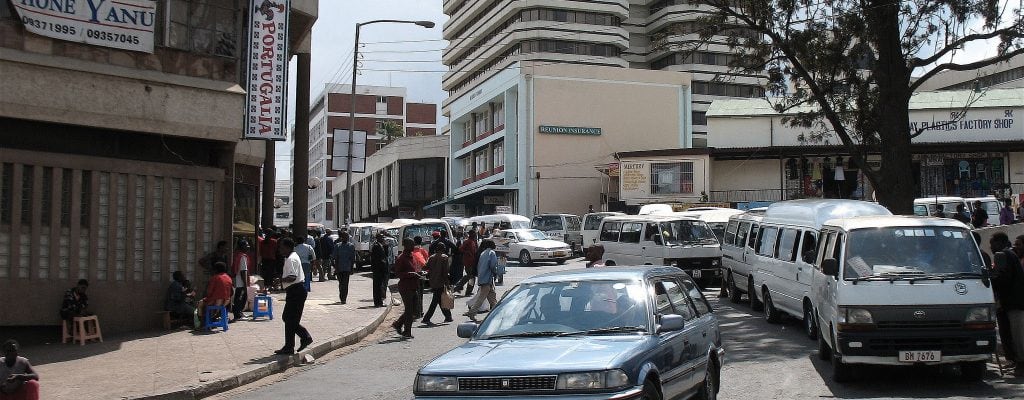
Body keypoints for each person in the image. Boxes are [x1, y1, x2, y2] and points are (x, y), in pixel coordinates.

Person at [990, 232, 1024, 376]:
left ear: (998, 243)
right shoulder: (1010, 255)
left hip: (1014, 303)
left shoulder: (1002, 255)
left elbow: (1003, 279)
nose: (991, 246)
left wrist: (990, 280)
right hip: (1014, 302)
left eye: (992, 243)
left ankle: (1021, 364)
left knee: (1018, 336)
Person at [275, 238, 313, 355]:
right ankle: (293, 343)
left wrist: (280, 280)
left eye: (281, 247)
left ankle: (299, 340)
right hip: (294, 290)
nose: (280, 249)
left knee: (290, 318)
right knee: (289, 318)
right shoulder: (291, 257)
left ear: (287, 247)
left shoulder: (291, 259)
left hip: (296, 290)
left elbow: (292, 277)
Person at [391, 238, 422, 339]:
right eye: (411, 245)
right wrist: (411, 274)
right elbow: (398, 273)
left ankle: (398, 324)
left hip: (413, 285)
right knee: (409, 310)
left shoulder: (412, 256)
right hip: (405, 287)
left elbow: (414, 269)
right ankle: (407, 331)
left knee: (414, 310)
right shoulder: (401, 258)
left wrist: (419, 273)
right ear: (406, 245)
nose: (413, 247)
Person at [464, 239, 499, 321]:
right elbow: (493, 266)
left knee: (492, 298)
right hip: (487, 279)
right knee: (481, 298)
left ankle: (497, 313)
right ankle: (472, 312)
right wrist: (495, 273)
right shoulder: (492, 253)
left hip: (483, 278)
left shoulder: (483, 253)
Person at [422, 242, 454, 324]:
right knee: (435, 301)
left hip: (433, 281)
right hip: (440, 281)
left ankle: (448, 316)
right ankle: (426, 318)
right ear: (443, 249)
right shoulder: (445, 258)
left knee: (439, 299)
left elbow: (425, 266)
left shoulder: (431, 257)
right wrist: (447, 283)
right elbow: (445, 272)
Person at [332, 231, 356, 304]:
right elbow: (335, 258)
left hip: (347, 268)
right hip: (339, 268)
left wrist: (352, 268)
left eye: (347, 237)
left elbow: (352, 258)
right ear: (341, 238)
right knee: (341, 284)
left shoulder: (351, 246)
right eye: (344, 237)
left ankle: (343, 298)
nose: (346, 238)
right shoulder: (337, 246)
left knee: (345, 284)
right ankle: (341, 295)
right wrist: (336, 268)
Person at [231, 239, 251, 321]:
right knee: (240, 299)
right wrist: (245, 285)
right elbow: (243, 271)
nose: (248, 246)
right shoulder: (242, 257)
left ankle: (239, 313)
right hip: (241, 283)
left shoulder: (238, 255)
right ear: (242, 246)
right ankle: (238, 315)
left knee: (238, 298)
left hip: (238, 282)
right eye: (246, 245)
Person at [454, 230, 479, 296]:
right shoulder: (467, 242)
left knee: (471, 277)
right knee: (469, 276)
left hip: (472, 261)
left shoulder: (473, 242)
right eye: (474, 234)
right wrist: (467, 252)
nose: (475, 235)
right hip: (468, 261)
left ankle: (468, 290)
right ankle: (458, 286)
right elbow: (460, 249)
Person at [370, 233, 389, 307]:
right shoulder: (376, 246)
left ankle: (379, 301)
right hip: (378, 270)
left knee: (380, 286)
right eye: (382, 237)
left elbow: (385, 255)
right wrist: (382, 267)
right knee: (377, 286)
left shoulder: (381, 245)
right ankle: (377, 302)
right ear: (378, 238)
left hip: (381, 270)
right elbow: (377, 259)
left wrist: (386, 246)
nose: (383, 238)